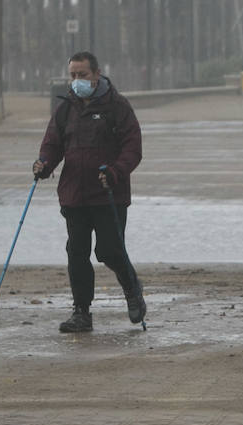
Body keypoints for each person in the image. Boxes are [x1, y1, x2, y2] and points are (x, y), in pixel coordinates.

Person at [32, 51, 145, 333]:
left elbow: (133, 148)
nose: (77, 80)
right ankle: (81, 312)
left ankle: (132, 290)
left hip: (109, 194)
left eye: (82, 75)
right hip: (74, 195)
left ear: (96, 74)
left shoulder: (117, 106)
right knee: (77, 252)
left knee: (109, 250)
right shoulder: (66, 108)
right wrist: (44, 165)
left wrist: (116, 171)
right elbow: (53, 144)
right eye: (72, 75)